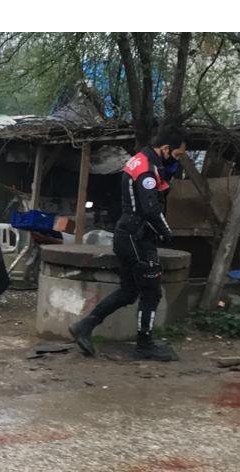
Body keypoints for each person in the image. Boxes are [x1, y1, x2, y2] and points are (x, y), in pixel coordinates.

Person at [68, 125, 189, 361]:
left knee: (129, 291)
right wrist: (167, 234)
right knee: (151, 293)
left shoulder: (143, 161)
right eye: (177, 155)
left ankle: (84, 327)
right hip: (136, 237)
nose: (178, 160)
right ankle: (145, 344)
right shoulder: (146, 168)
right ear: (165, 148)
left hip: (129, 234)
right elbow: (150, 208)